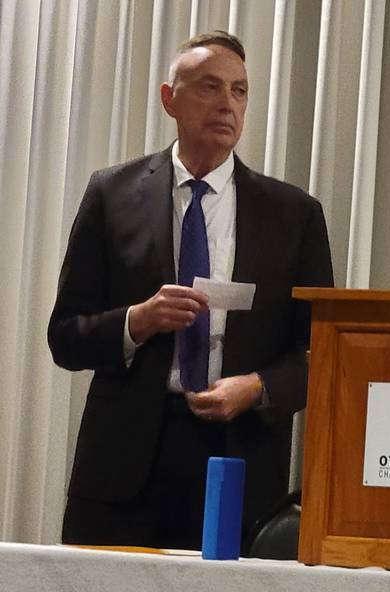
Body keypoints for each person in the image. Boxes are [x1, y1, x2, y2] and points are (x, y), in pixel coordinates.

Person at [48, 31, 333, 550]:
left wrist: (257, 387)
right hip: (125, 468)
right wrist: (138, 321)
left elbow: (320, 352)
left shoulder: (295, 215)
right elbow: (65, 336)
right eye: (209, 87)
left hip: (240, 461)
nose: (227, 103)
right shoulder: (111, 194)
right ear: (169, 98)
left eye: (240, 91)